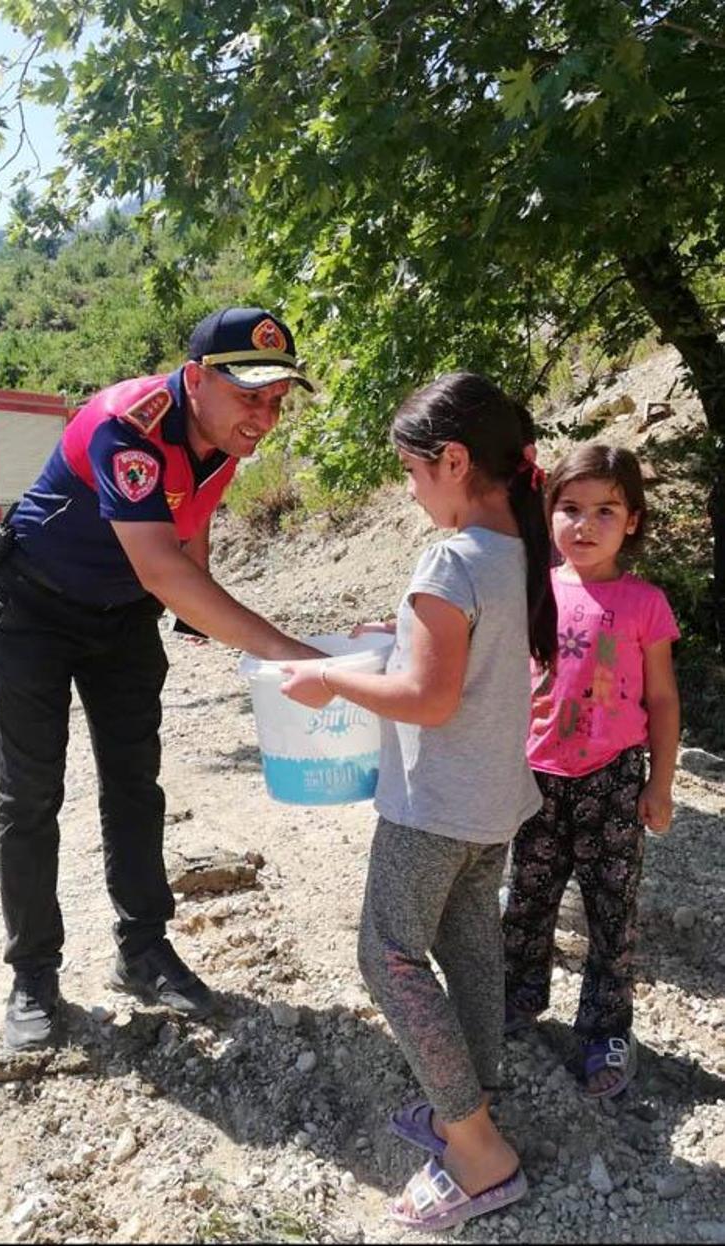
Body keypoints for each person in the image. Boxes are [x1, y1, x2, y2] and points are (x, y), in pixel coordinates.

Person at [0, 305, 319, 1053]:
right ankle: (33, 973)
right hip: (27, 604)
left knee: (136, 781)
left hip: (120, 617)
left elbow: (189, 533)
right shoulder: (128, 426)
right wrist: (289, 651)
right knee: (29, 794)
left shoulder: (225, 440)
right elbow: (160, 566)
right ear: (195, 379)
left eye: (276, 400)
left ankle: (144, 952)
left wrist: (204, 613)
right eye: (249, 394)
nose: (264, 416)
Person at [281, 373, 557, 1232]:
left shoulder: (452, 555)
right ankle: (473, 1102)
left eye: (413, 471)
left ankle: (476, 1151)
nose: (410, 489)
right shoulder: (521, 552)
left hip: (433, 807)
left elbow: (430, 702)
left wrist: (329, 676)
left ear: (455, 459)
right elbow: (458, 663)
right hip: (493, 804)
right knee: (470, 948)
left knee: (390, 957)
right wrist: (393, 639)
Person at [502, 443, 680, 1098]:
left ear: (632, 519)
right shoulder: (532, 589)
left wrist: (660, 783)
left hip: (613, 778)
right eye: (570, 508)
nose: (585, 524)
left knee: (611, 910)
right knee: (527, 897)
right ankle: (515, 1000)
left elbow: (661, 698)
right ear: (548, 514)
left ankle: (606, 1029)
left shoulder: (645, 603)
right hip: (536, 776)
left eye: (605, 510)